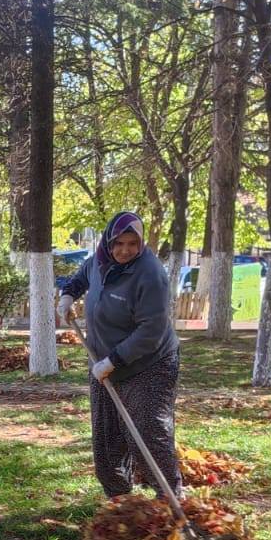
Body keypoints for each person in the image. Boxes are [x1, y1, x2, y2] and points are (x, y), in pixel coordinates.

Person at [60, 211, 183, 500]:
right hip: (102, 364)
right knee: (106, 440)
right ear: (108, 241)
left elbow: (151, 329)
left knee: (147, 434)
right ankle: (120, 503)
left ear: (141, 243)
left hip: (149, 364)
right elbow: (81, 277)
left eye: (132, 244)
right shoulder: (100, 261)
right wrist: (67, 296)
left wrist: (113, 361)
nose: (125, 250)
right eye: (119, 243)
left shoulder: (151, 274)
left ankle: (171, 502)